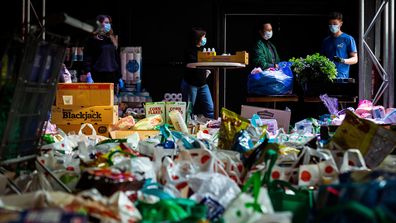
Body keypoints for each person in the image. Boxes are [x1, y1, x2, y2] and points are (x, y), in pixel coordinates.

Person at [181, 27, 214, 119]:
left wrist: (206, 72)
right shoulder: (189, 50)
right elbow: (190, 64)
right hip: (191, 84)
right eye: (203, 37)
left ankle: (213, 126)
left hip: (203, 84)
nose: (204, 39)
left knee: (210, 109)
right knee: (189, 110)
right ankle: (187, 129)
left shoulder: (202, 50)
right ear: (198, 38)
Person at [83, 15, 120, 84]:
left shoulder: (111, 39)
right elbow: (87, 57)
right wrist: (88, 73)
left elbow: (116, 58)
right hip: (98, 74)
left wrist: (119, 76)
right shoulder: (92, 40)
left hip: (112, 75)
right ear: (99, 23)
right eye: (106, 22)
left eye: (109, 23)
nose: (108, 24)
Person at [321, 12, 358, 79]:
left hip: (341, 77)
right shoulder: (326, 41)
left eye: (335, 24)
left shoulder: (348, 39)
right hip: (327, 77)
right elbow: (322, 59)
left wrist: (343, 60)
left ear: (341, 24)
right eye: (330, 24)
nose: (332, 26)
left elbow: (355, 59)